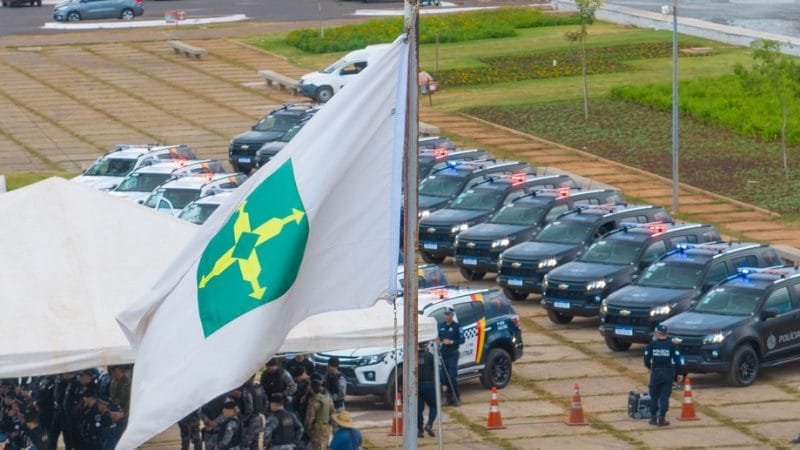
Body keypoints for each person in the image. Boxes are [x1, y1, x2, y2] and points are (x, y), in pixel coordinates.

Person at [643, 324, 683, 426]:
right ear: (666, 333)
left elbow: (646, 358)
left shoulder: (652, 345)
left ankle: (653, 419)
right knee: (664, 397)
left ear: (657, 333)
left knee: (654, 396)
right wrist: (679, 373)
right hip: (667, 373)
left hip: (656, 372)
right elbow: (678, 361)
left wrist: (649, 367)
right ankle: (662, 419)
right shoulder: (672, 345)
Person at [438, 306, 464, 406]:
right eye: (445, 314)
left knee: (452, 376)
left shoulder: (457, 326)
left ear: (452, 315)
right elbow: (440, 337)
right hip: (443, 353)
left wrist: (452, 342)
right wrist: (439, 340)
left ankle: (456, 397)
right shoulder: (442, 325)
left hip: (453, 354)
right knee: (445, 377)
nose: (446, 316)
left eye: (448, 314)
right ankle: (449, 399)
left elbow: (462, 340)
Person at [303, 378, 331, 450]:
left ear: (312, 389)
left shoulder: (314, 401)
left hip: (317, 429)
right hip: (326, 427)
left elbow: (310, 417)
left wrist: (307, 429)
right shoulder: (325, 399)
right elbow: (332, 411)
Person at [417, 342, 437, 438]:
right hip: (429, 384)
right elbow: (437, 370)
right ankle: (429, 424)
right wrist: (442, 383)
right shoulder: (430, 356)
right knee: (434, 406)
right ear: (426, 346)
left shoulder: (413, 357)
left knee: (419, 410)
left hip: (417, 386)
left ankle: (420, 431)